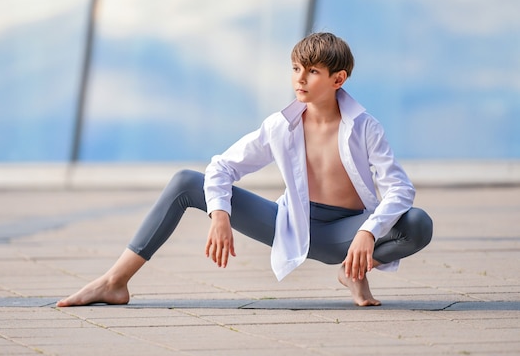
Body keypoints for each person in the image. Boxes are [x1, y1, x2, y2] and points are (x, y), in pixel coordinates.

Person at [57, 32, 433, 308]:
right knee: (187, 182)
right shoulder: (280, 125)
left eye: (312, 72)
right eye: (296, 68)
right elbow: (222, 166)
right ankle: (114, 281)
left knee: (417, 223)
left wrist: (368, 233)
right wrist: (219, 213)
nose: (300, 79)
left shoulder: (365, 127)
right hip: (291, 225)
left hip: (345, 234)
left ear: (338, 79)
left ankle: (351, 272)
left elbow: (399, 189)